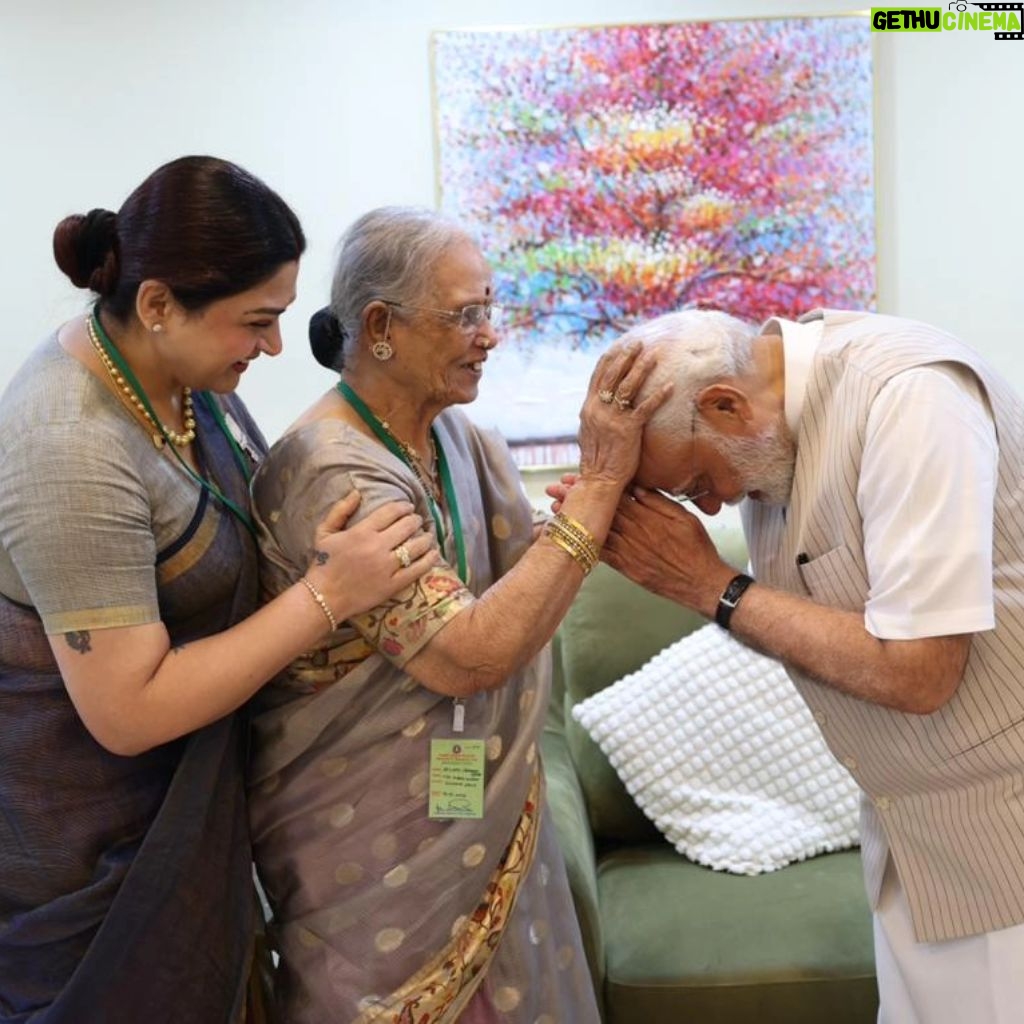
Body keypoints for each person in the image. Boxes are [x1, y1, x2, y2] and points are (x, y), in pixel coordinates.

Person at [0, 157, 437, 1024]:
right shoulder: (69, 449)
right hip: (96, 860)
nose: (275, 347)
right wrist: (326, 596)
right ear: (158, 304)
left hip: (199, 819)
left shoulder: (183, 383)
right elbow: (128, 711)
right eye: (257, 321)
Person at [246, 206, 667, 1023]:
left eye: (490, 310)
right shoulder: (330, 473)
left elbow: (523, 594)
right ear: (380, 328)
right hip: (369, 860)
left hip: (480, 818)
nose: (489, 335)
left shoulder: (461, 441)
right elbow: (467, 654)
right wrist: (600, 490)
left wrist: (592, 514)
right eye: (466, 315)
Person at [582, 307, 1024, 1023]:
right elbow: (799, 631)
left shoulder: (907, 399)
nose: (712, 502)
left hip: (1003, 846)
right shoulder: (773, 443)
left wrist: (709, 585)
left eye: (698, 480)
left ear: (725, 405)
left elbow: (919, 672)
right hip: (911, 840)